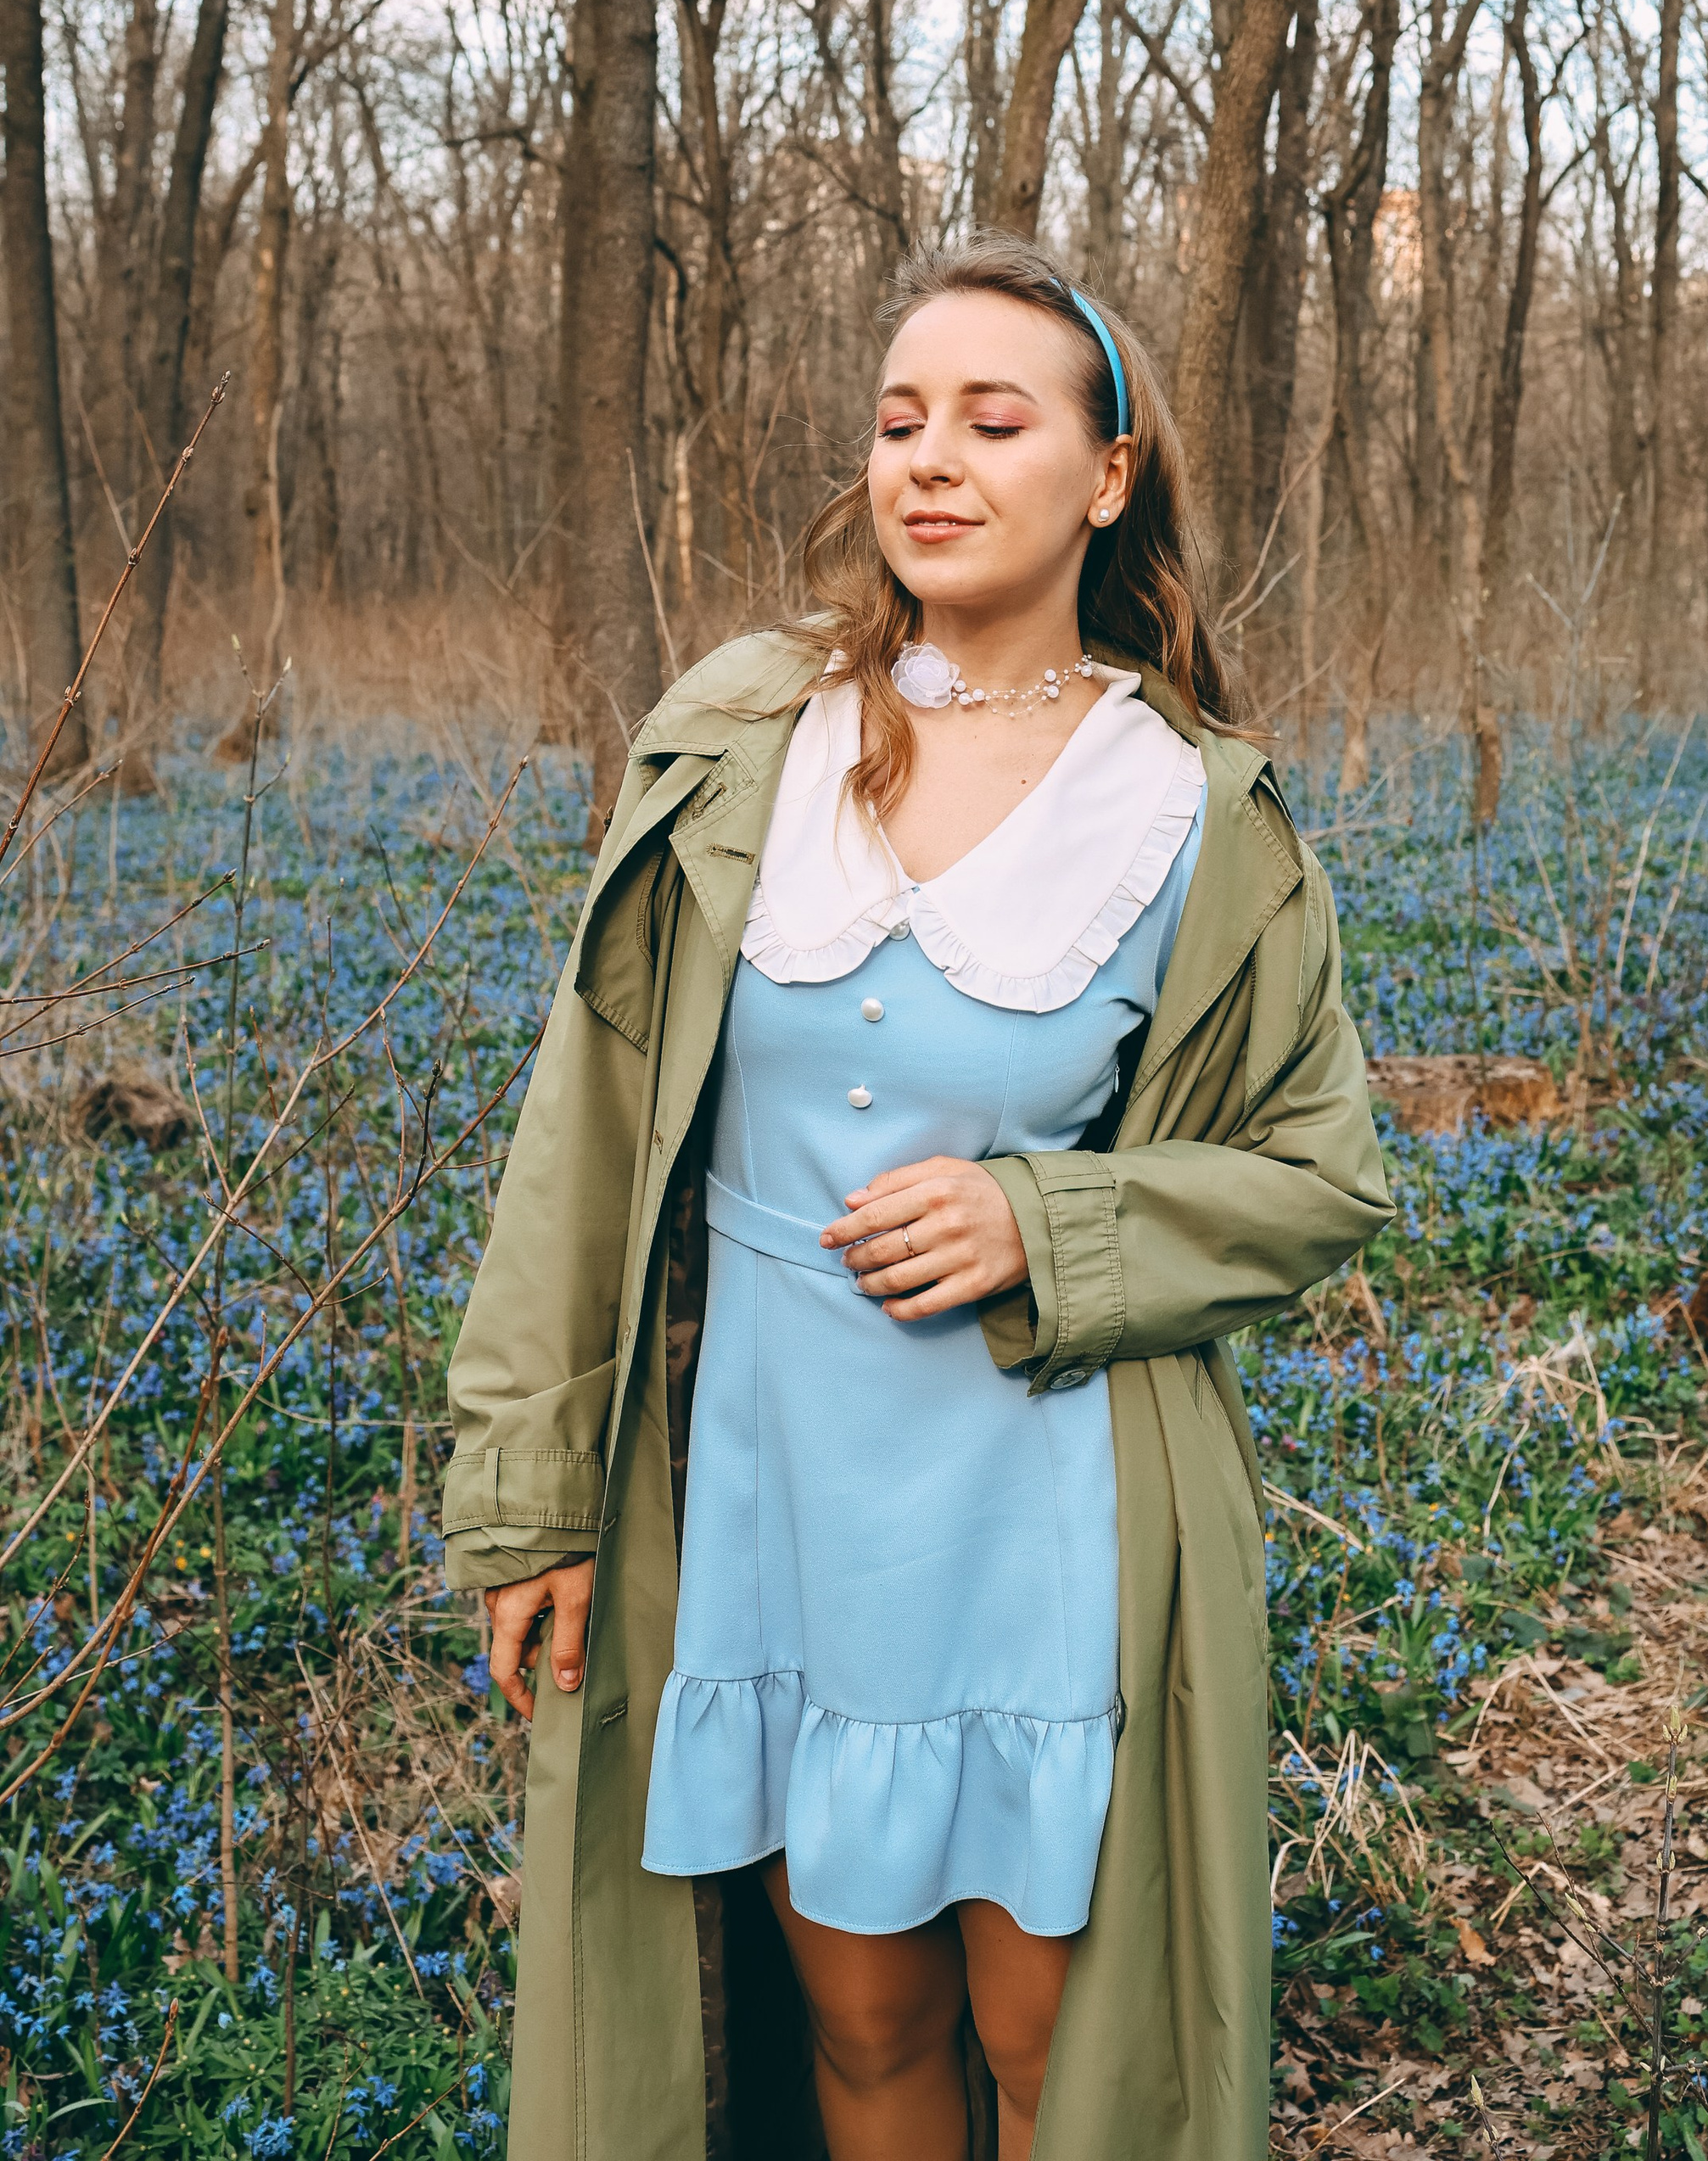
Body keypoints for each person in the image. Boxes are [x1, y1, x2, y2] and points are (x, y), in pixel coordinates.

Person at [441, 235, 1391, 2161]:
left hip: (1035, 1510)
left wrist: (1049, 1226)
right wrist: (532, 1498)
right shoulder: (741, 742)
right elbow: (588, 1135)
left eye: (990, 417)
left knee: (1054, 2051)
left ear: (1104, 476)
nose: (927, 460)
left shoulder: (1196, 809)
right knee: (856, 2038)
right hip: (771, 1495)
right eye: (896, 421)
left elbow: (1318, 1177)